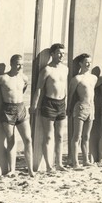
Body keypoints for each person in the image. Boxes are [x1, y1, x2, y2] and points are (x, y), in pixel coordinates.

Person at [0, 54, 34, 177]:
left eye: (22, 64)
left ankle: (30, 170)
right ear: (12, 64)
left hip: (21, 108)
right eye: (18, 64)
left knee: (28, 139)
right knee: (11, 140)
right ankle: (12, 170)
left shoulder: (24, 78)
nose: (20, 67)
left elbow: (23, 90)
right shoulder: (3, 78)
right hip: (7, 109)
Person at [30, 43, 68, 171]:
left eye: (63, 53)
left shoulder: (65, 69)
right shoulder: (47, 70)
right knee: (49, 136)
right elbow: (39, 88)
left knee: (60, 136)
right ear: (52, 54)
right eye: (59, 53)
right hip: (49, 104)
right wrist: (34, 105)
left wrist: (66, 102)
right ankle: (48, 165)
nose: (61, 55)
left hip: (61, 104)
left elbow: (64, 87)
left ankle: (59, 163)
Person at [67, 53, 98, 168]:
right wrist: (68, 109)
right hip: (80, 107)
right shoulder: (76, 79)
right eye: (86, 62)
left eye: (90, 62)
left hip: (91, 108)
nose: (88, 64)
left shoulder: (94, 78)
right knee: (77, 136)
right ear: (81, 63)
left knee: (86, 136)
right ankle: (75, 162)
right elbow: (70, 95)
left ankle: (86, 160)